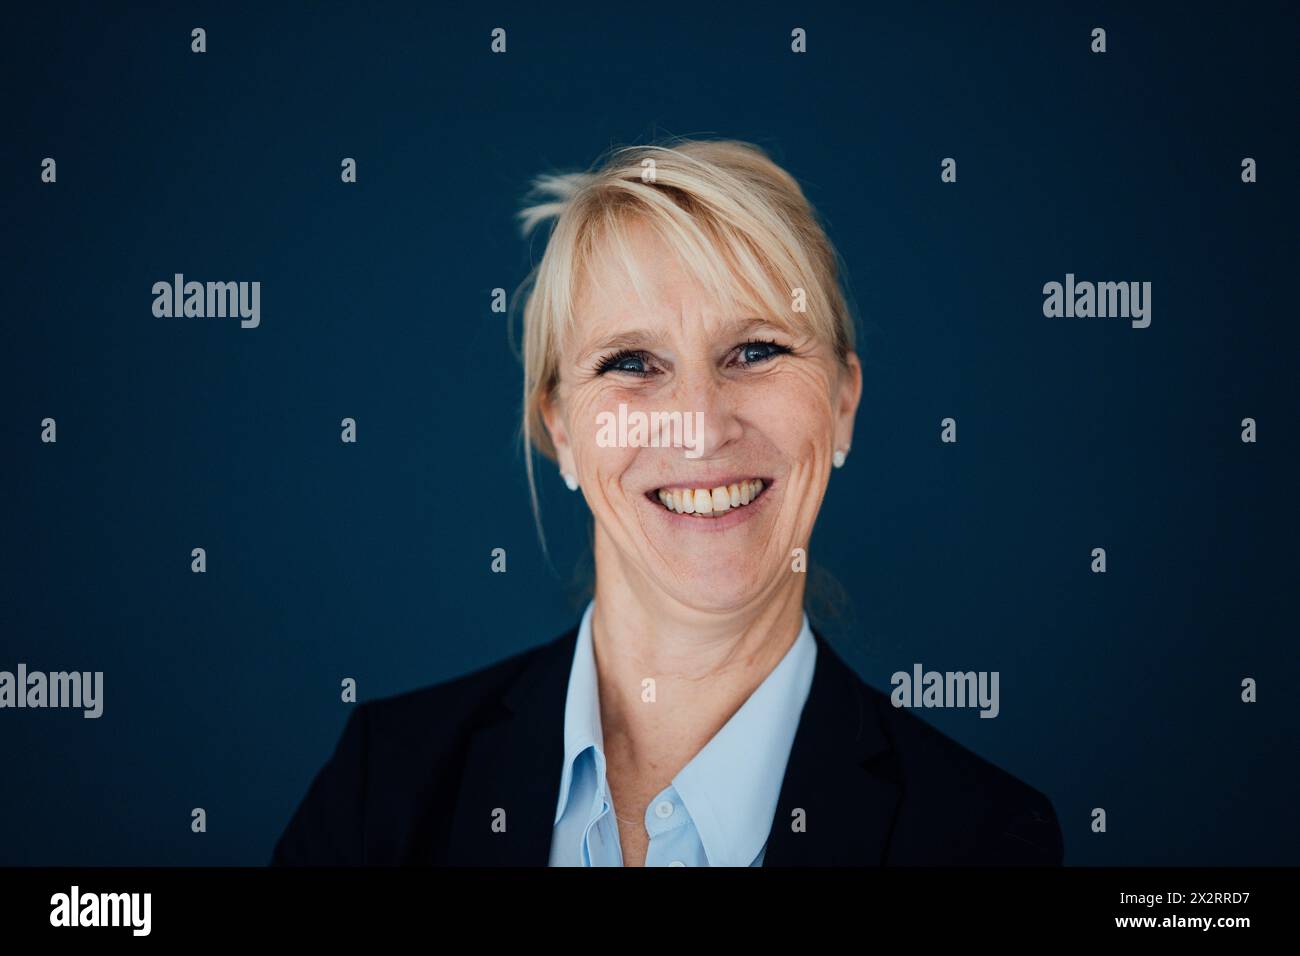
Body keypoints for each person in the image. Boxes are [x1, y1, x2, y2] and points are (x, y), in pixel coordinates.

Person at [271, 138, 1064, 866]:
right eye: (632, 363)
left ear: (843, 401)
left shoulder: (986, 840)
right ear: (562, 431)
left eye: (756, 351)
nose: (702, 427)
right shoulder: (383, 788)